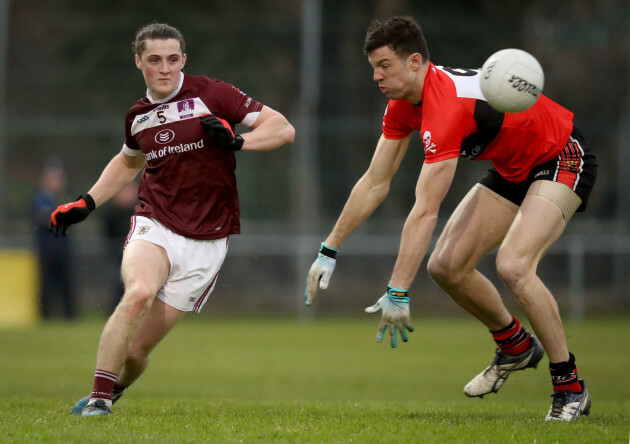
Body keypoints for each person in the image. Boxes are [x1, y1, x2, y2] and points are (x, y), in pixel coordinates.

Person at [304, 16, 595, 422]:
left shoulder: (447, 107)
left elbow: (426, 209)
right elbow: (374, 181)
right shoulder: (403, 105)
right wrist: (329, 249)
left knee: (513, 265)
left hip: (561, 155)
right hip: (513, 168)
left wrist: (399, 290)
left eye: (384, 65)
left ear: (415, 62)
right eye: (373, 67)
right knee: (446, 266)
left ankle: (570, 388)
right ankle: (515, 346)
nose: (376, 76)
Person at [50, 23, 295, 416]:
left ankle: (113, 389)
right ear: (139, 63)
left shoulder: (214, 94)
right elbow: (128, 162)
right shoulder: (138, 117)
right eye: (154, 60)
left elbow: (283, 128)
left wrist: (237, 141)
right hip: (155, 222)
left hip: (208, 241)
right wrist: (87, 202)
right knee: (139, 294)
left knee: (136, 352)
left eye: (172, 59)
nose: (164, 68)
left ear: (184, 60)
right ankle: (98, 400)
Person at [32, 157, 77, 320]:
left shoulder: (66, 196)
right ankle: (45, 317)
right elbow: (44, 219)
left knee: (67, 285)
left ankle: (70, 317)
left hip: (63, 249)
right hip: (46, 250)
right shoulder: (40, 198)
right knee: (45, 286)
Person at [101, 180, 138, 314]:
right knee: (118, 286)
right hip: (117, 258)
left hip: (137, 258)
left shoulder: (141, 211)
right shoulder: (110, 213)